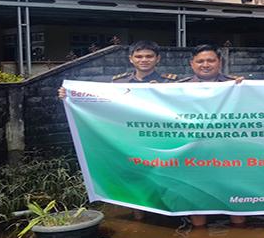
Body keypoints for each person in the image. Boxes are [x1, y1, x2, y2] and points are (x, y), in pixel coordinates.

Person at [57, 40, 177, 222]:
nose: (144, 60)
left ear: (157, 59)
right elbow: (101, 105)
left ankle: (167, 215)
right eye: (139, 56)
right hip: (128, 139)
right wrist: (70, 96)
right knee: (134, 178)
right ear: (131, 59)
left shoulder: (171, 83)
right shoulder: (118, 83)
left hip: (159, 140)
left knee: (163, 179)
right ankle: (139, 216)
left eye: (149, 56)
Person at [177, 44, 244, 227]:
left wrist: (246, 89)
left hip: (229, 153)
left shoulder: (237, 85)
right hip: (194, 153)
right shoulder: (177, 88)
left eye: (210, 60)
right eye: (200, 61)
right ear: (192, 64)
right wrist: (153, 92)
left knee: (236, 199)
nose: (205, 64)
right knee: (197, 199)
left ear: (219, 62)